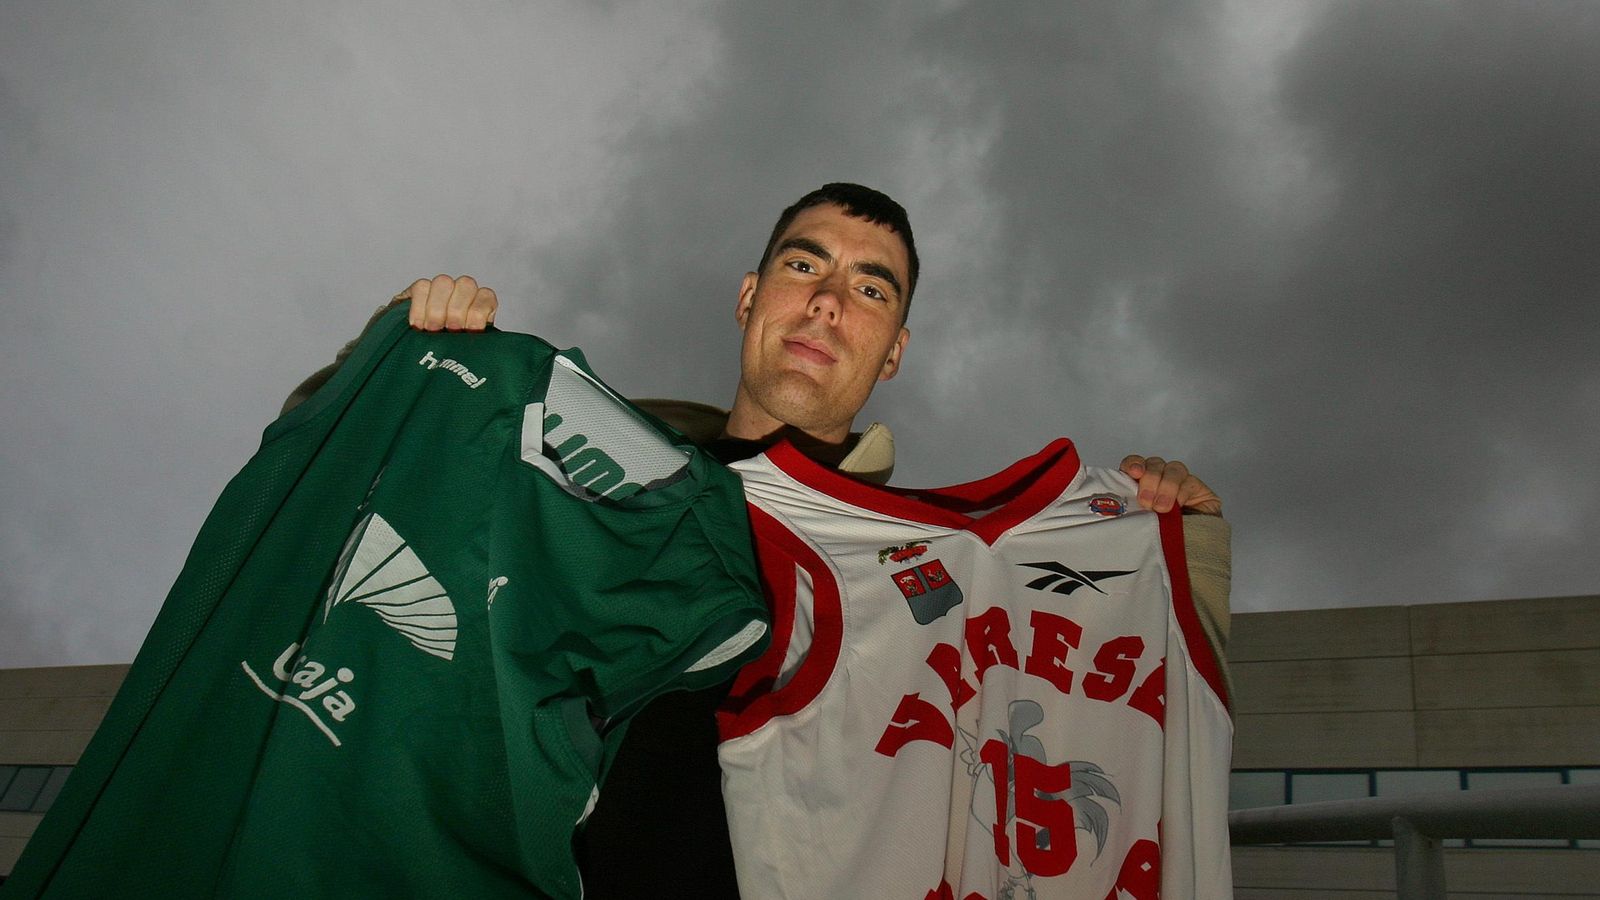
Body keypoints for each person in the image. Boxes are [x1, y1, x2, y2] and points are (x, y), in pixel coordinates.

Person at [289, 183, 1228, 897]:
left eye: (870, 289)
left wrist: (1175, 539)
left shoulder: (938, 580)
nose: (828, 302)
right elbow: (345, 493)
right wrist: (400, 366)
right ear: (749, 296)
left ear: (894, 349)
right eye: (804, 265)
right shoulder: (579, 467)